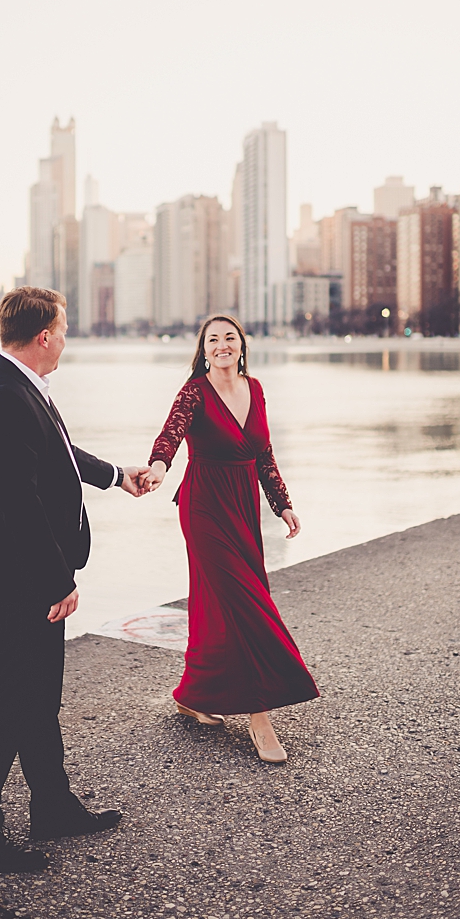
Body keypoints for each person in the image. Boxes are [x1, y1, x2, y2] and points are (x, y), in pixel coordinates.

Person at [0, 287, 150, 873]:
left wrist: (117, 475)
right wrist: (57, 580)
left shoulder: (18, 386)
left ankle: (53, 808)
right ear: (44, 337)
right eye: (63, 330)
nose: (65, 339)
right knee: (8, 704)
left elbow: (58, 455)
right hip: (15, 579)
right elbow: (17, 503)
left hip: (22, 573)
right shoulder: (6, 399)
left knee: (39, 700)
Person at [143, 314, 318, 764]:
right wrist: (159, 467)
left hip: (243, 509)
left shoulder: (255, 389)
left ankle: (193, 694)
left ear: (242, 345)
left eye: (230, 338)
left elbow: (264, 453)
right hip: (203, 508)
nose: (222, 345)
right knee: (242, 604)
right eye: (213, 339)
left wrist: (283, 504)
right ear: (203, 349)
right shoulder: (194, 392)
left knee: (215, 604)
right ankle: (260, 720)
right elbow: (170, 436)